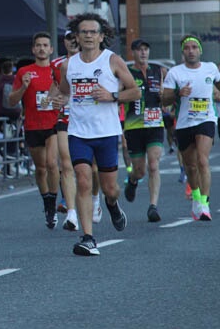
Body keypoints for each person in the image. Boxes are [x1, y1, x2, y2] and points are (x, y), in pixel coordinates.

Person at [54, 13, 138, 256]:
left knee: (110, 189)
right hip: (78, 132)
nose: (89, 36)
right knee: (82, 179)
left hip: (106, 132)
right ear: (77, 37)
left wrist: (111, 96)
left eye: (93, 32)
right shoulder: (67, 65)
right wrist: (60, 99)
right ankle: (88, 238)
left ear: (102, 36)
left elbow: (134, 92)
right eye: (84, 32)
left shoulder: (112, 60)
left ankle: (112, 205)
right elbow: (65, 92)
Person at [161, 35, 220, 221]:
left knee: (203, 160)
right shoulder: (175, 73)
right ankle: (195, 196)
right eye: (187, 48)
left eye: (195, 47)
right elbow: (165, 99)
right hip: (184, 122)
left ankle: (205, 203)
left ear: (200, 50)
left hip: (206, 119)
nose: (191, 50)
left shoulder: (211, 68)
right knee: (191, 166)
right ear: (183, 52)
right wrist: (179, 93)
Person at [7, 32, 61, 229]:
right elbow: (11, 101)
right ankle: (47, 202)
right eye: (38, 45)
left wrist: (59, 101)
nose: (41, 48)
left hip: (54, 123)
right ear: (33, 49)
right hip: (32, 125)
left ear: (51, 49)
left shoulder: (57, 70)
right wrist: (23, 87)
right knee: (40, 168)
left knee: (51, 163)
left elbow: (67, 93)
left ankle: (53, 201)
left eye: (45, 45)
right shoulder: (24, 72)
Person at [122, 38, 167, 222]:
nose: (143, 53)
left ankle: (153, 206)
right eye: (139, 50)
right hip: (134, 126)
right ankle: (133, 181)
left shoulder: (158, 71)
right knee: (139, 170)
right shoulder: (126, 73)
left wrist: (166, 97)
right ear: (133, 52)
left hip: (155, 124)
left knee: (154, 164)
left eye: (146, 49)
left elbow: (165, 95)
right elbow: (119, 96)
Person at [51, 32, 81, 230]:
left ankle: (95, 199)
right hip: (65, 117)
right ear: (64, 42)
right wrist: (52, 99)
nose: (72, 41)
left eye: (75, 38)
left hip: (88, 120)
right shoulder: (57, 64)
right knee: (66, 163)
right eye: (68, 38)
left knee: (92, 170)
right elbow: (54, 89)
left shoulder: (94, 61)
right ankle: (71, 213)